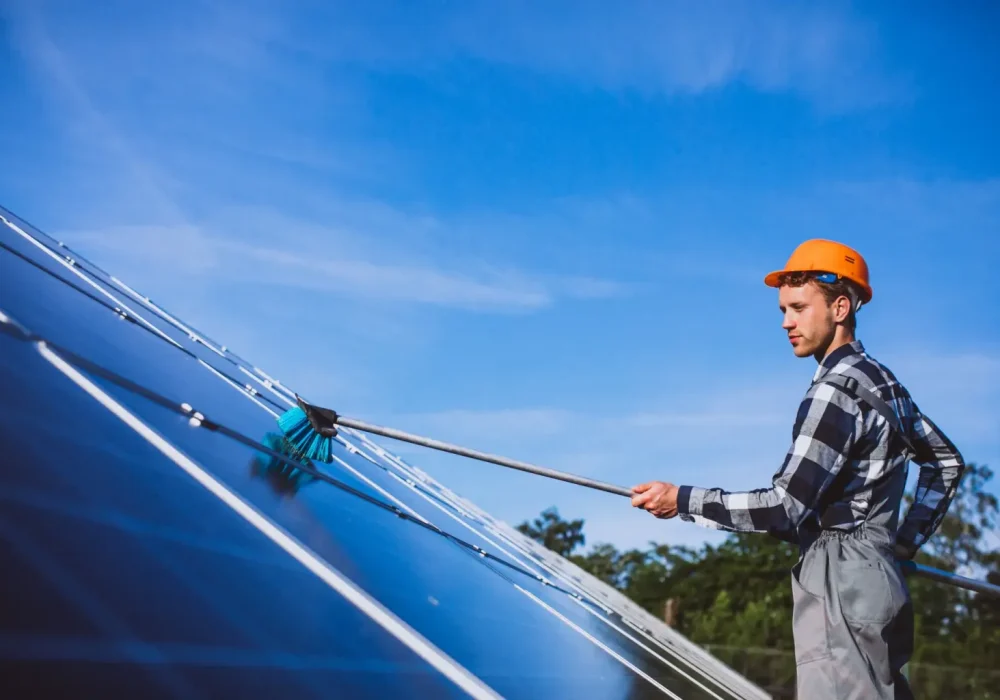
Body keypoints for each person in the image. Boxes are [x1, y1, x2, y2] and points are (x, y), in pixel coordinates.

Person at [629, 239, 965, 700]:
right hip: (877, 577)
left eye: (799, 308)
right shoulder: (884, 385)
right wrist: (900, 545)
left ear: (841, 306)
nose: (786, 322)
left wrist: (681, 500)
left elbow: (784, 506)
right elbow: (945, 462)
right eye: (783, 310)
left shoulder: (834, 391)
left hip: (840, 582)